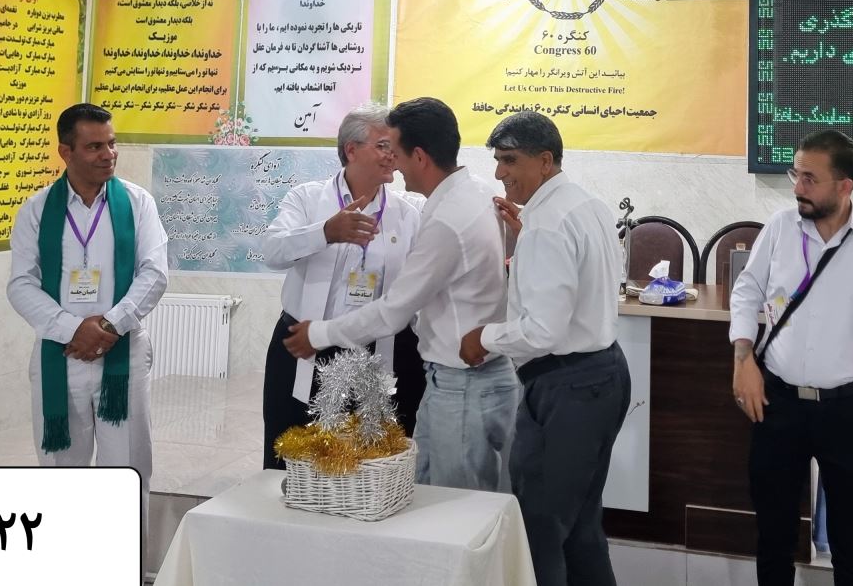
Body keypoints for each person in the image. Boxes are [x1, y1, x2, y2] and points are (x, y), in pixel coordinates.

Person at [285, 97, 518, 490]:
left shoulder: (445, 218)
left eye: (394, 150)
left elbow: (394, 311)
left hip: (462, 384)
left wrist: (318, 334)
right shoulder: (476, 192)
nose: (392, 162)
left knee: (453, 505)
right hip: (469, 377)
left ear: (420, 157)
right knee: (430, 489)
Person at [729, 130, 853, 586]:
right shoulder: (779, 228)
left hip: (848, 411)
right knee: (773, 539)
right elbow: (746, 292)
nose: (797, 187)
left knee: (851, 547)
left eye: (810, 179)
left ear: (844, 186)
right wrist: (743, 360)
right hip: (778, 404)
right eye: (796, 175)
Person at [461, 111, 630, 586]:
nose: (500, 173)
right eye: (498, 161)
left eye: (510, 160)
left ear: (545, 161)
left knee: (540, 529)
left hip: (567, 387)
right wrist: (526, 249)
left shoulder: (546, 224)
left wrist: (483, 338)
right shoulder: (586, 204)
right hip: (604, 374)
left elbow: (542, 332)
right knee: (580, 527)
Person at [7, 102, 168, 522]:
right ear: (66, 152)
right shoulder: (37, 210)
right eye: (95, 146)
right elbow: (21, 284)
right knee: (62, 475)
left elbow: (155, 273)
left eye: (112, 144)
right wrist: (72, 329)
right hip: (61, 355)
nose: (108, 154)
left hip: (123, 353)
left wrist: (109, 326)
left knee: (128, 472)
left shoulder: (138, 203)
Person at [259, 102, 425, 469]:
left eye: (395, 146)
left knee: (373, 459)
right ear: (351, 150)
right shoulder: (307, 198)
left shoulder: (407, 213)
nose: (392, 155)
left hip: (381, 350)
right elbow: (272, 251)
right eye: (383, 145)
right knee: (295, 453)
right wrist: (325, 232)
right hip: (305, 343)